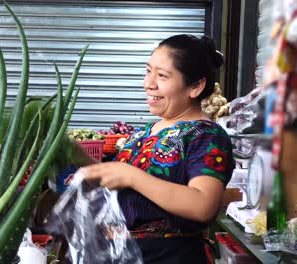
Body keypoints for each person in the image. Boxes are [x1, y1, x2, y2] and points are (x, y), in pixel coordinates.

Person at [80, 34, 235, 263]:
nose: (148, 83)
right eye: (148, 71)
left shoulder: (206, 135)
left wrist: (133, 176)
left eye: (162, 76)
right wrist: (73, 155)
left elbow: (204, 205)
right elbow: (117, 180)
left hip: (169, 256)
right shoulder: (144, 133)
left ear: (196, 86)